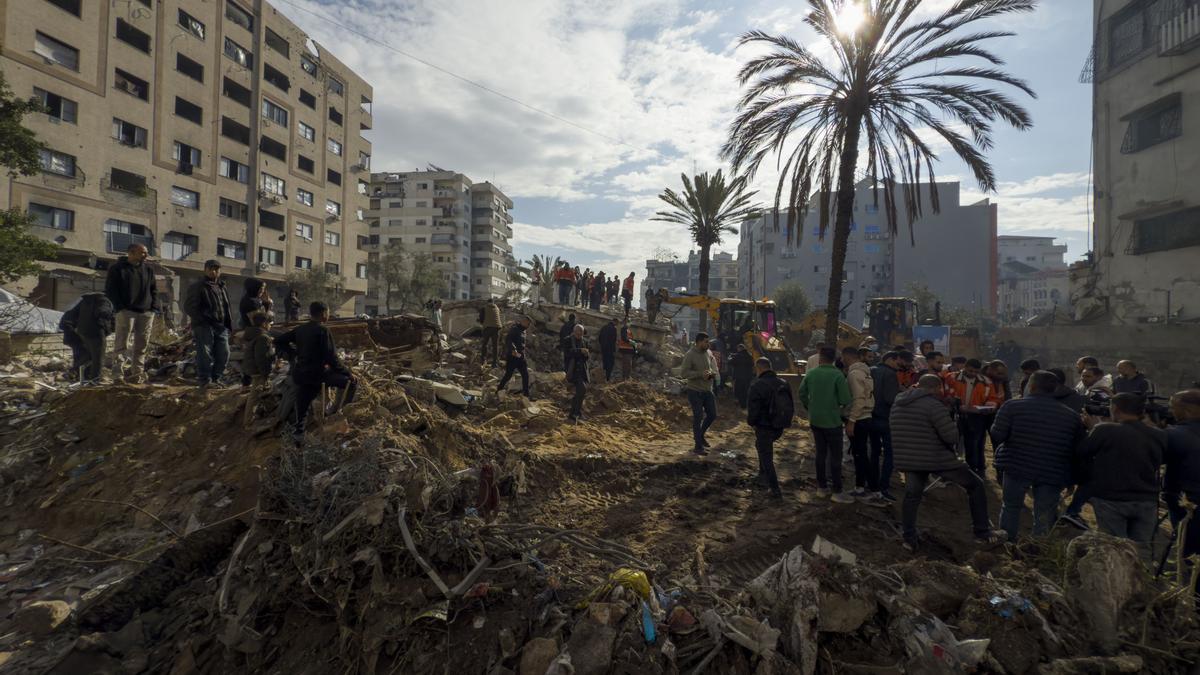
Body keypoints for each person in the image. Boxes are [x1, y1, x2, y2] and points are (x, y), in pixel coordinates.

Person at [893, 374, 1003, 551]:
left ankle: (909, 537)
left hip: (909, 459)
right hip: (936, 458)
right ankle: (982, 532)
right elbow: (950, 436)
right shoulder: (933, 406)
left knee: (912, 496)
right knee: (975, 485)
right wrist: (954, 422)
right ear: (936, 388)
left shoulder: (898, 403)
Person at [991, 371, 1087, 541]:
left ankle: (1007, 542)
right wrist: (1072, 477)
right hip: (1052, 470)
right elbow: (1077, 449)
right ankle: (1038, 549)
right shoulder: (1071, 416)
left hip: (1016, 465)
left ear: (1032, 386)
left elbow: (998, 435)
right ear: (1055, 389)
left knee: (1011, 506)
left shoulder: (1012, 406)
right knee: (1045, 513)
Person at [1075, 393, 1166, 558]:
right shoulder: (1158, 434)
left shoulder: (1104, 430)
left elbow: (1083, 451)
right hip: (1146, 500)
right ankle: (1142, 582)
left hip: (1111, 498)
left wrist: (1091, 429)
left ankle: (1117, 583)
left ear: (1115, 409)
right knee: (1142, 550)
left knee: (1114, 548)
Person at [274, 301, 356, 444]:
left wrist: (293, 353)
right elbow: (332, 359)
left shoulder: (300, 329)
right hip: (318, 374)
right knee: (351, 383)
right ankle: (339, 413)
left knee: (303, 402)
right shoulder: (323, 331)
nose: (329, 315)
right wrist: (348, 373)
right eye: (328, 312)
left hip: (302, 374)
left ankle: (298, 434)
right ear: (324, 313)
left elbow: (279, 340)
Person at [798, 346, 853, 502]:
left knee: (820, 454)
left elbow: (801, 393)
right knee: (836, 457)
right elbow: (845, 399)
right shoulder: (837, 375)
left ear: (820, 357)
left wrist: (810, 406)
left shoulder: (811, 374)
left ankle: (821, 487)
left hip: (815, 419)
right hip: (832, 420)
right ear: (835, 359)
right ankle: (837, 491)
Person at [104, 243, 159, 383]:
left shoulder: (148, 270)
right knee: (122, 343)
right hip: (126, 311)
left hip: (146, 312)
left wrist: (154, 307)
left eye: (146, 252)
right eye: (142, 252)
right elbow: (111, 290)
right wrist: (120, 307)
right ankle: (118, 375)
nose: (145, 255)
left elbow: (154, 290)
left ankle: (137, 374)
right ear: (132, 253)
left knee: (142, 344)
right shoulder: (117, 269)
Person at [941, 358, 999, 477]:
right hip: (954, 414)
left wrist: (989, 407)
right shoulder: (951, 377)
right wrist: (951, 401)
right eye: (970, 370)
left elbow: (993, 399)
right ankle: (952, 469)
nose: (972, 374)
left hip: (976, 417)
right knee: (952, 442)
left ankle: (973, 471)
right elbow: (945, 394)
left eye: (975, 372)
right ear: (965, 367)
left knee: (974, 444)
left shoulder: (986, 382)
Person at [184, 259, 234, 390]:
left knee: (224, 353)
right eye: (211, 269)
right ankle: (205, 380)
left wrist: (228, 324)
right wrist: (202, 320)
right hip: (204, 326)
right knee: (205, 354)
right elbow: (189, 307)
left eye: (216, 269)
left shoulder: (222, 286)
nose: (214, 272)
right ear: (205, 270)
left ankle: (216, 378)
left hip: (221, 326)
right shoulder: (198, 286)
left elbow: (225, 306)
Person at [747, 356, 792, 500]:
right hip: (779, 425)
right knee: (760, 446)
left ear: (758, 368)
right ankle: (762, 473)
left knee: (767, 457)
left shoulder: (757, 385)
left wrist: (751, 422)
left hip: (764, 425)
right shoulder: (784, 383)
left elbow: (753, 409)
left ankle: (775, 489)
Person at [1165, 390, 1200, 562]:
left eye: (1173, 408)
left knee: (1190, 550)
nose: (1170, 412)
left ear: (1188, 411)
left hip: (1185, 501)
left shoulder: (1174, 434)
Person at [842, 346, 879, 501]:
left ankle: (862, 488)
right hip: (865, 417)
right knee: (862, 454)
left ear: (847, 356)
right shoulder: (865, 372)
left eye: (843, 357)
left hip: (859, 419)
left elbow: (859, 399)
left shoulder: (854, 374)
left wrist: (851, 421)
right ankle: (870, 487)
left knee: (860, 455)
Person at [59, 292, 115, 384]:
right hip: (95, 332)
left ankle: (80, 376)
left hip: (81, 332)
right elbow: (103, 313)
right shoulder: (105, 301)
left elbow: (69, 316)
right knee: (98, 358)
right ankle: (94, 380)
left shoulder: (85, 301)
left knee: (87, 356)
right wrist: (107, 327)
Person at [869, 351, 902, 501]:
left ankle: (872, 484)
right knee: (889, 454)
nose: (898, 365)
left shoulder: (872, 370)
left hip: (871, 416)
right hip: (886, 417)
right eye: (896, 362)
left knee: (874, 452)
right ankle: (883, 486)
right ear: (889, 360)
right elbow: (891, 398)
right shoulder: (890, 374)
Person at [680, 332, 718, 456]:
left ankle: (700, 436)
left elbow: (712, 369)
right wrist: (700, 374)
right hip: (694, 391)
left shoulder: (708, 353)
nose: (708, 344)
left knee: (712, 414)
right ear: (699, 342)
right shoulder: (690, 355)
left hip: (708, 390)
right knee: (698, 417)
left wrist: (712, 374)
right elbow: (684, 374)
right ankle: (698, 446)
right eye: (706, 342)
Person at [241, 312, 276, 428]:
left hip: (253, 368)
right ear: (264, 323)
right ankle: (248, 422)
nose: (271, 325)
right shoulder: (263, 337)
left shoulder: (253, 334)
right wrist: (265, 373)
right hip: (258, 370)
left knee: (261, 393)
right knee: (255, 396)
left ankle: (259, 415)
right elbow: (261, 358)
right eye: (270, 323)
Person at [497, 316, 532, 397]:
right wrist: (513, 349)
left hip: (521, 357)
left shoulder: (524, 331)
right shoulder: (515, 329)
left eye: (529, 324)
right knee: (508, 375)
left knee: (525, 375)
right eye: (528, 323)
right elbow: (509, 340)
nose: (528, 325)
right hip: (513, 357)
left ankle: (526, 395)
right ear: (523, 322)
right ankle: (499, 389)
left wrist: (523, 355)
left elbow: (522, 345)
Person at [564, 324, 590, 423]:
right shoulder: (568, 340)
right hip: (573, 370)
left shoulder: (585, 341)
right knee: (582, 389)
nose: (579, 334)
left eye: (581, 332)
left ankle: (575, 413)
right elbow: (567, 354)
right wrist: (580, 351)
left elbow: (586, 358)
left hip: (582, 370)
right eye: (577, 332)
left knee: (581, 391)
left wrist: (586, 354)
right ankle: (574, 414)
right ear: (574, 331)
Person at [728, 345, 755, 409]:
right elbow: (752, 364)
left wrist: (730, 357)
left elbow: (730, 362)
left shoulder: (737, 356)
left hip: (738, 377)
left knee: (738, 390)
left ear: (739, 349)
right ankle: (744, 405)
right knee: (745, 391)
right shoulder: (750, 356)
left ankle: (739, 403)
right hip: (748, 377)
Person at [480, 298, 503, 367]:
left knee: (485, 344)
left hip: (488, 328)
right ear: (493, 303)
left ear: (487, 302)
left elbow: (481, 318)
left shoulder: (484, 308)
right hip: (497, 328)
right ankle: (494, 363)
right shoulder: (497, 308)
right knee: (495, 346)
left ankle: (483, 360)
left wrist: (483, 323)